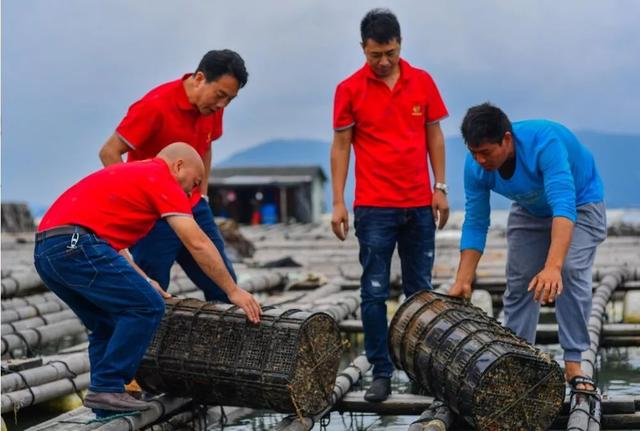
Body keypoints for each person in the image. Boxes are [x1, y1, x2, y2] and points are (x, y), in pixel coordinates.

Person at [35, 143, 262, 413]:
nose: (194, 192)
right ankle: (107, 387)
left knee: (105, 323)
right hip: (76, 244)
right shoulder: (160, 178)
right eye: (195, 182)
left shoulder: (134, 175)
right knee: (148, 306)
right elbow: (196, 241)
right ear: (178, 166)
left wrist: (143, 279)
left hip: (49, 250)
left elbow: (110, 244)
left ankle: (105, 401)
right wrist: (232, 290)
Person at [330, 8, 450, 402]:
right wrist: (338, 202)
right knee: (374, 291)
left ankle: (421, 371)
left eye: (390, 54)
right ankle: (381, 371)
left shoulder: (423, 82)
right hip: (373, 207)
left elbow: (435, 136)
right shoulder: (348, 89)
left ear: (400, 45)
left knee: (421, 293)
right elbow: (342, 146)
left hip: (418, 205)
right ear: (362, 49)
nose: (383, 62)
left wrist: (440, 186)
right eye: (375, 55)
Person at [448, 103, 606, 395]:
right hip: (530, 209)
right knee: (520, 281)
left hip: (581, 204)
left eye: (486, 152)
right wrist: (463, 280)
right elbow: (476, 221)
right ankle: (519, 362)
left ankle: (574, 362)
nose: (480, 160)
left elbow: (563, 204)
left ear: (506, 140)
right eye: (474, 152)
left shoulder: (545, 144)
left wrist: (552, 266)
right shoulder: (475, 167)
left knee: (569, 271)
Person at [98, 49, 247, 302]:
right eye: (220, 95)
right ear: (199, 78)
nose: (222, 105)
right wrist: (136, 198)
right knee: (152, 294)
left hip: (193, 207)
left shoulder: (213, 108)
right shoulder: (155, 105)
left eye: (230, 100)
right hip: (154, 216)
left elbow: (206, 147)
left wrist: (203, 195)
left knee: (224, 287)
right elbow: (109, 152)